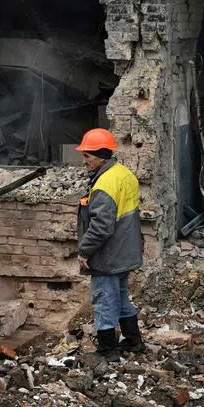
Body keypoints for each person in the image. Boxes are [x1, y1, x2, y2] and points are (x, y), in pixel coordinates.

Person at [74, 128, 145, 361]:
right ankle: (133, 341)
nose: (84, 161)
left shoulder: (105, 184)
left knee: (104, 300)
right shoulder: (124, 174)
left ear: (102, 155)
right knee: (122, 297)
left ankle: (107, 350)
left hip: (109, 255)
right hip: (125, 250)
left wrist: (85, 251)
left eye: (87, 156)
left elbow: (101, 227)